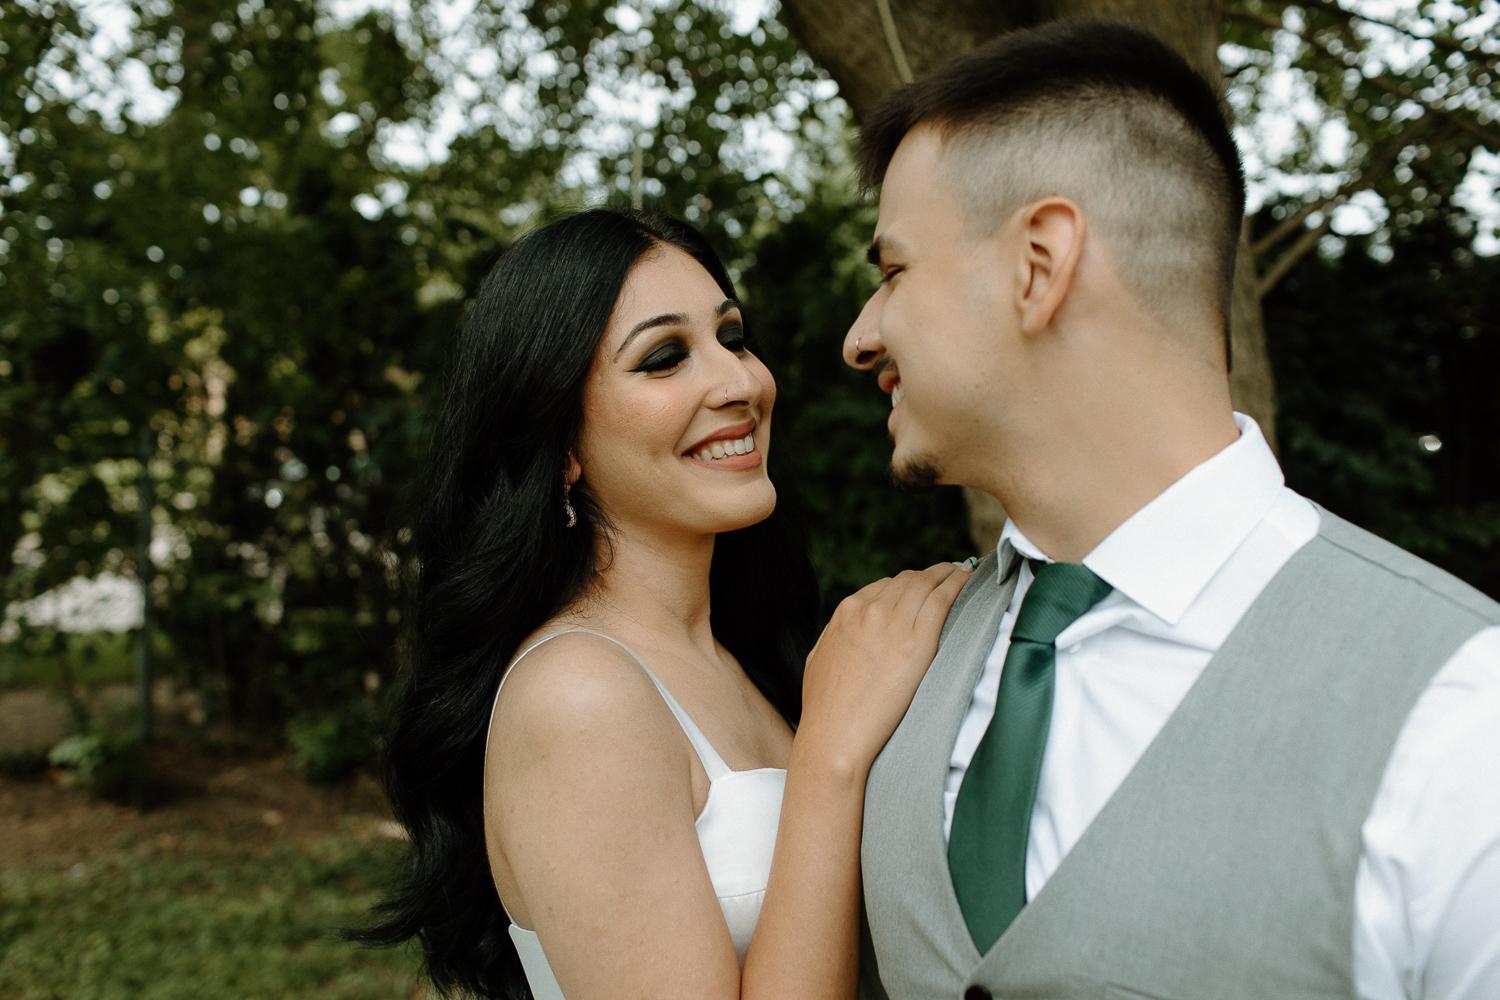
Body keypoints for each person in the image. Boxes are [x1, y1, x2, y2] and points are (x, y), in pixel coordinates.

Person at [841, 19, 1500, 1000]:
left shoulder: (1464, 717)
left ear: (1039, 264)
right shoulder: (891, 662)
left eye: (893, 272)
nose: (859, 338)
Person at [355, 208, 972, 999]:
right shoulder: (579, 695)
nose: (741, 382)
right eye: (665, 357)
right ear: (561, 443)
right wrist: (832, 755)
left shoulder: (750, 655)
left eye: (732, 337)